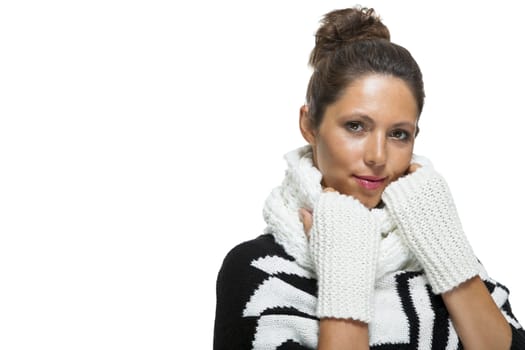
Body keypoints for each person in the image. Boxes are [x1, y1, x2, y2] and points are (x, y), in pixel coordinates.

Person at [213, 7, 525, 349]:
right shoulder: (257, 269)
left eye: (399, 134)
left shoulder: (444, 253)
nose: (377, 156)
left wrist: (446, 251)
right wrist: (344, 266)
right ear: (309, 125)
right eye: (356, 126)